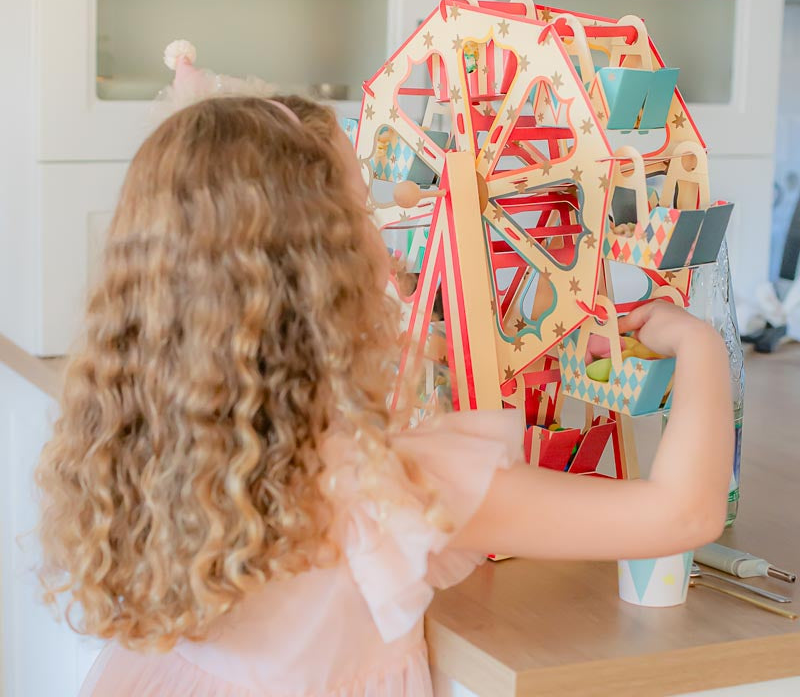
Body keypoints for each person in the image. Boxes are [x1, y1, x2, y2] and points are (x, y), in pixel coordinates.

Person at [35, 94, 733, 697]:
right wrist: (699, 348)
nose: (383, 232)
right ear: (320, 268)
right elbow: (683, 513)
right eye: (362, 210)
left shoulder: (153, 437)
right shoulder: (388, 486)